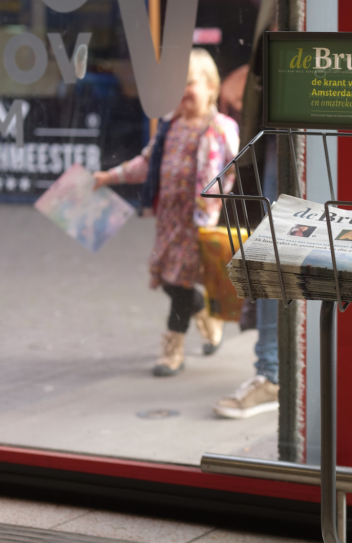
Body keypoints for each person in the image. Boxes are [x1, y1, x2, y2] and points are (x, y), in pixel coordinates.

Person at [94, 49, 239, 377]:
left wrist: (216, 202)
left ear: (211, 87)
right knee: (168, 280)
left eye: (189, 83)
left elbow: (233, 167)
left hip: (196, 222)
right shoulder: (169, 126)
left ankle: (172, 349)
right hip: (168, 220)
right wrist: (109, 176)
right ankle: (205, 314)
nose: (182, 93)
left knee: (181, 283)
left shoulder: (219, 128)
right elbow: (146, 164)